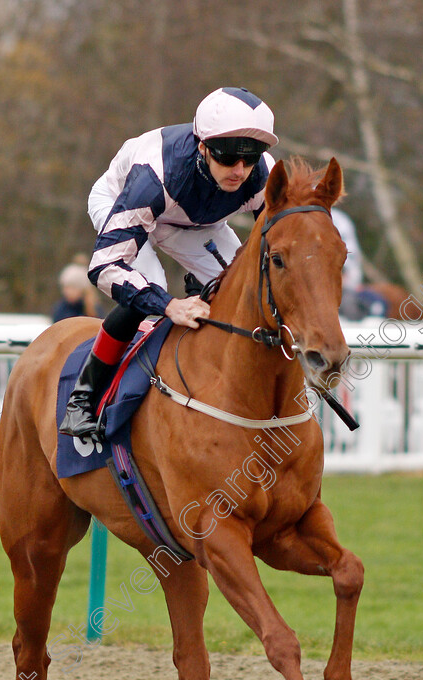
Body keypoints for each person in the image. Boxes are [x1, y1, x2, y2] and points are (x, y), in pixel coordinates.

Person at [60, 87, 279, 438]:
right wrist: (170, 305)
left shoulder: (260, 175)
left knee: (243, 289)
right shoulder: (155, 174)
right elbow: (104, 267)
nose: (239, 170)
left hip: (194, 221)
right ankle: (83, 398)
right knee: (150, 288)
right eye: (227, 157)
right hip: (125, 203)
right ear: (203, 146)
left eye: (251, 157)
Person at [52, 255, 107, 322]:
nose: (67, 292)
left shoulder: (94, 309)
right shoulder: (61, 309)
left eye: (72, 287)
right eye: (65, 288)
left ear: (82, 289)